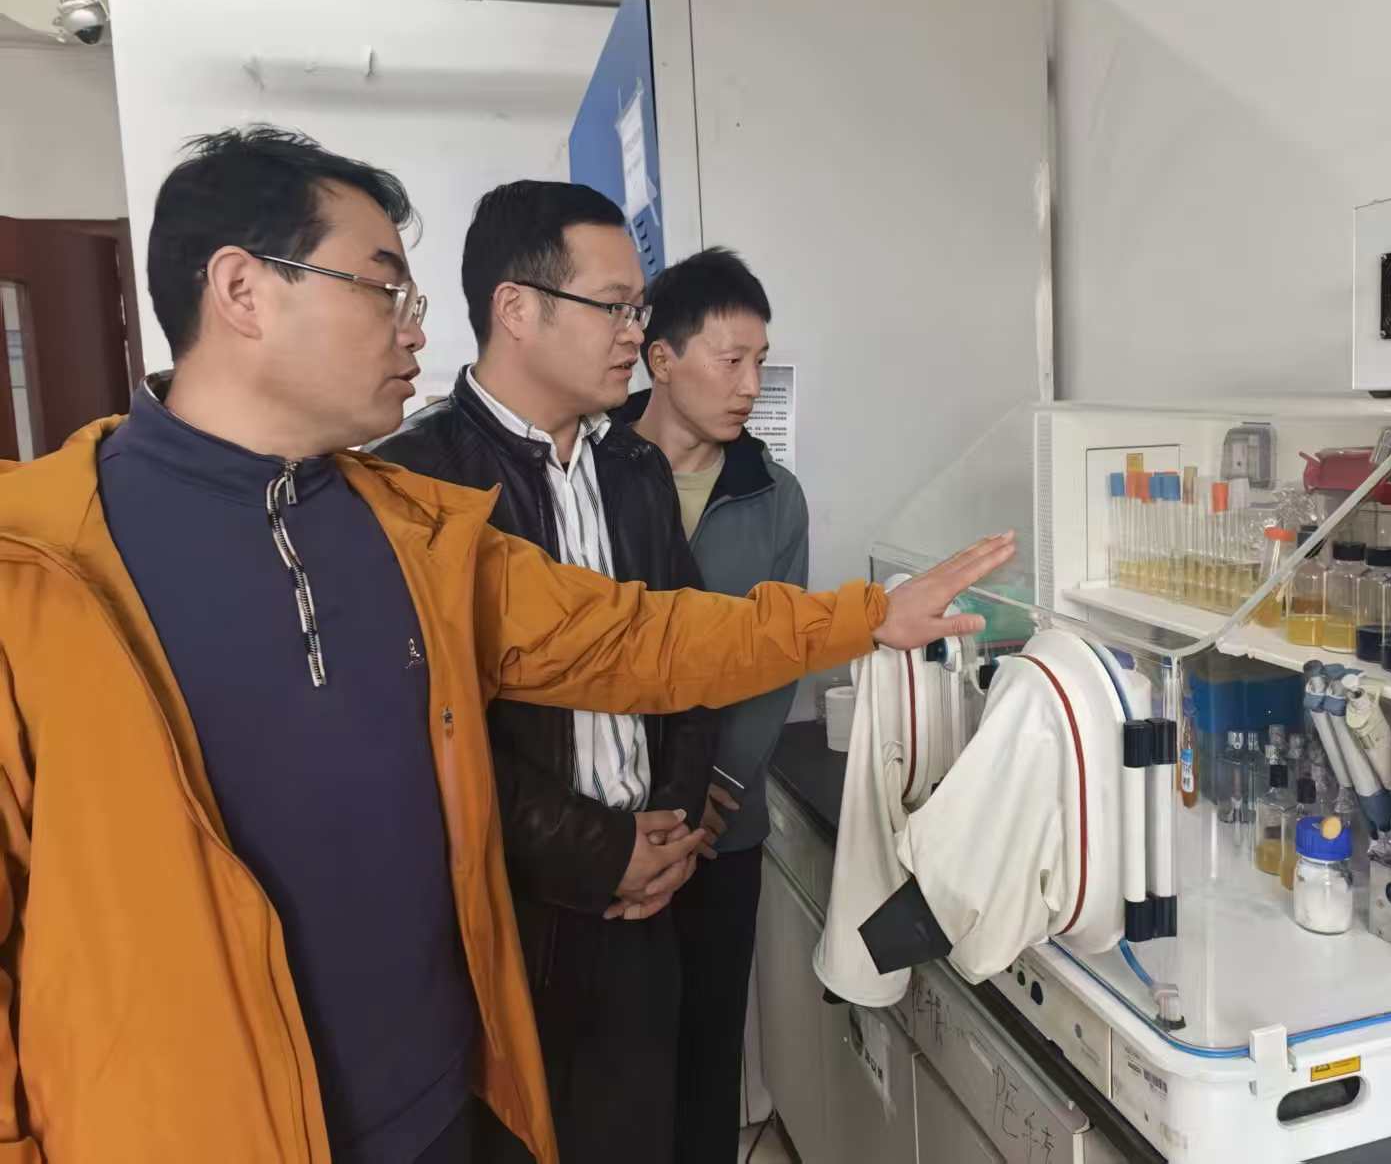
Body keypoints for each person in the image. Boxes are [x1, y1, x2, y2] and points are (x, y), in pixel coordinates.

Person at [0, 125, 1014, 1164]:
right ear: (242, 290)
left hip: (445, 1101)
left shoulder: (409, 531)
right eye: (382, 288)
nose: (413, 329)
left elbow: (635, 635)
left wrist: (863, 616)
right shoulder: (36, 573)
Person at [372, 181, 712, 1163]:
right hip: (513, 915)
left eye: (640, 307)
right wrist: (597, 849)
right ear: (516, 308)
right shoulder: (415, 483)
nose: (636, 333)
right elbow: (428, 730)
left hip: (649, 897)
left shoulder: (634, 471)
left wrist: (674, 822)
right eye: (614, 306)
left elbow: (688, 649)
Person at [620, 248, 801, 1162]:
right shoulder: (591, 470)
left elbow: (776, 657)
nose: (751, 385)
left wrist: (718, 785)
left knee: (707, 1049)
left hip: (722, 829)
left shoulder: (772, 496)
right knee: (615, 1066)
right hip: (611, 830)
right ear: (661, 358)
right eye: (731, 360)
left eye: (760, 361)